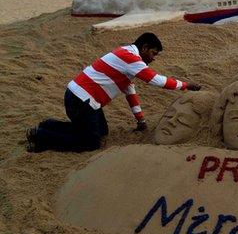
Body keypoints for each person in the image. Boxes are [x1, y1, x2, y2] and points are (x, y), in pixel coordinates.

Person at [26, 32, 201, 152]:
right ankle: (41, 135)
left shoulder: (127, 58)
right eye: (153, 53)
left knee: (101, 132)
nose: (153, 58)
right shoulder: (130, 58)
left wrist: (141, 121)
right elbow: (155, 80)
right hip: (81, 100)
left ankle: (48, 125)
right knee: (91, 142)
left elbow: (130, 92)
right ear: (145, 48)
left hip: (83, 98)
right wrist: (185, 85)